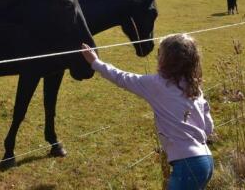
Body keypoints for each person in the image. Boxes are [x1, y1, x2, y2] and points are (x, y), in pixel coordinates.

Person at [81, 33, 214, 190]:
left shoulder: (156, 84)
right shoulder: (194, 87)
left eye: (159, 53)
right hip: (206, 160)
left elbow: (122, 77)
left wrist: (95, 62)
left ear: (165, 60)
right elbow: (208, 127)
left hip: (187, 166)